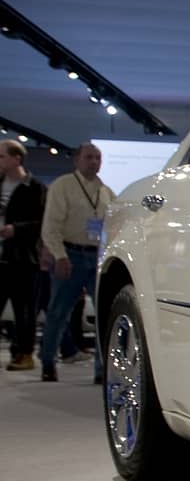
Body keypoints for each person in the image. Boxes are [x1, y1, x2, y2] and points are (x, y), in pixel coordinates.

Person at [38, 142, 113, 384]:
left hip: (97, 256)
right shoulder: (64, 186)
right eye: (89, 157)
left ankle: (101, 369)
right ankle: (48, 362)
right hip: (71, 254)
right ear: (77, 160)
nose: (94, 162)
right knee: (58, 311)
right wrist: (59, 255)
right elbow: (51, 225)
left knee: (104, 313)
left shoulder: (105, 191)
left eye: (98, 158)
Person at [1, 139, 48, 370]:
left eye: (1, 156)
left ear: (16, 158)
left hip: (23, 258)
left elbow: (43, 223)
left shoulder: (35, 188)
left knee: (24, 311)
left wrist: (16, 229)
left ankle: (24, 354)